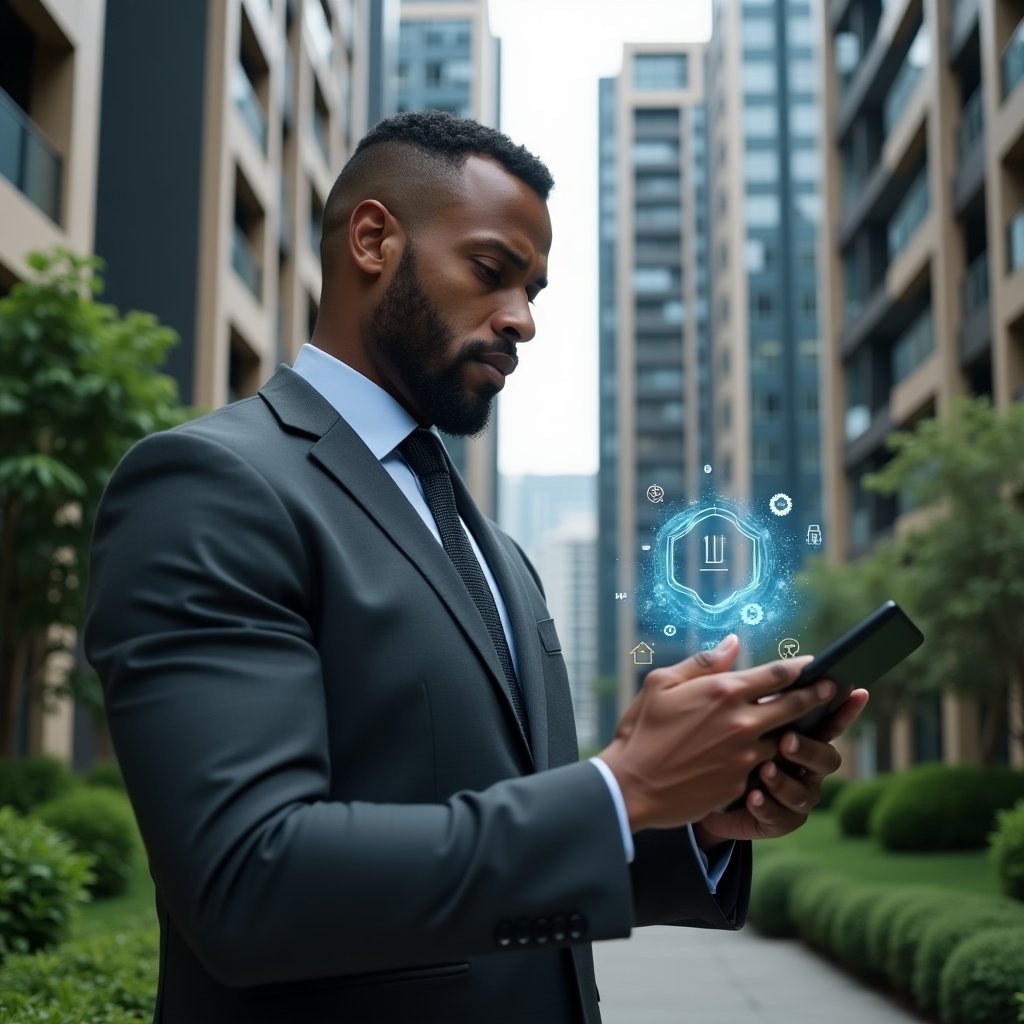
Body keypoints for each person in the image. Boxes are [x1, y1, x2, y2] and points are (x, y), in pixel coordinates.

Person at [84, 111, 866, 1024]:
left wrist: (684, 821)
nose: (523, 321)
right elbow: (246, 882)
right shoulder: (212, 485)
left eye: (535, 290)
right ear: (373, 238)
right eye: (492, 272)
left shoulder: (499, 553)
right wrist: (621, 788)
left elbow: (507, 839)